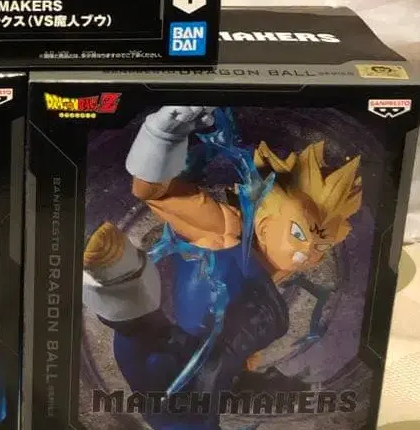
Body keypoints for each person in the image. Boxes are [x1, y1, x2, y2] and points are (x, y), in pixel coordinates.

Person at [84, 106, 362, 427]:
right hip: (158, 359)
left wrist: (248, 379)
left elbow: (223, 362)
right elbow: (151, 191)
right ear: (266, 222)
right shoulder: (224, 232)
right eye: (299, 234)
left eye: (321, 246)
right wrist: (160, 137)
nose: (308, 253)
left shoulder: (269, 277)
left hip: (189, 380)